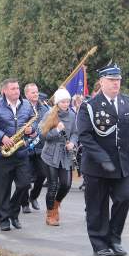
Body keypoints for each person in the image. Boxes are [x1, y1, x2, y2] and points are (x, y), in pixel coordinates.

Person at [77, 63, 129, 256]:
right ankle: (99, 242)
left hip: (122, 165)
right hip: (96, 167)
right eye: (111, 80)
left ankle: (114, 238)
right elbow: (84, 136)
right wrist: (102, 158)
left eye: (118, 80)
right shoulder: (89, 106)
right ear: (101, 82)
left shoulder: (128, 103)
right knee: (97, 206)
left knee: (124, 199)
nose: (116, 83)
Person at [0, 78, 35, 231]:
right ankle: (4, 219)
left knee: (25, 184)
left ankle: (13, 210)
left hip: (21, 152)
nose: (16, 91)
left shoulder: (26, 105)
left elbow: (34, 122)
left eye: (18, 88)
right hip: (2, 154)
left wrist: (31, 130)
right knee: (2, 189)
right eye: (13, 89)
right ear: (4, 90)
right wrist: (1, 136)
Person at [40, 88, 78, 226]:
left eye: (68, 101)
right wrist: (57, 130)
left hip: (65, 154)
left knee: (66, 184)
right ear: (57, 102)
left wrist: (73, 143)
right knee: (53, 185)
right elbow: (43, 136)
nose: (66, 104)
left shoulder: (73, 115)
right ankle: (50, 214)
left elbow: (75, 132)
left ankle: (56, 205)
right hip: (50, 154)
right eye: (63, 101)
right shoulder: (50, 114)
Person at [19, 83, 49, 213]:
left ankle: (33, 197)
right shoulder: (21, 108)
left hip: (40, 147)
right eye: (33, 92)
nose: (36, 94)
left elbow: (48, 124)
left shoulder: (45, 109)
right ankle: (24, 203)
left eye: (37, 92)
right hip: (25, 147)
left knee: (42, 175)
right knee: (25, 178)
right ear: (26, 94)